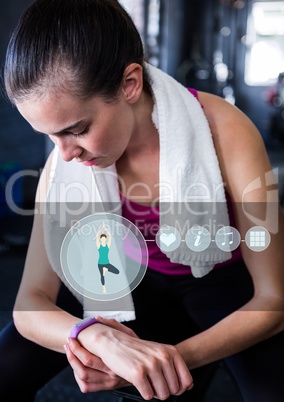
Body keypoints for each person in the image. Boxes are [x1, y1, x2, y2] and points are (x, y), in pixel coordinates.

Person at [0, 0, 283, 401]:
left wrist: (169, 358)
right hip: (121, 273)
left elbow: (274, 300)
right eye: (50, 135)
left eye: (77, 129)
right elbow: (30, 303)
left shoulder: (229, 132)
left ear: (129, 84)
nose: (64, 155)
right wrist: (94, 336)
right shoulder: (62, 165)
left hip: (217, 280)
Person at [96, 223, 120, 294]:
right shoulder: (99, 246)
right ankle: (104, 288)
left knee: (117, 271)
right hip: (100, 263)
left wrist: (106, 229)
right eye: (102, 238)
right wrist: (101, 230)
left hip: (107, 263)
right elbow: (97, 237)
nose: (103, 239)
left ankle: (106, 270)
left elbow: (110, 237)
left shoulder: (107, 246)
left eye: (104, 238)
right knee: (102, 276)